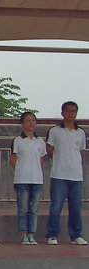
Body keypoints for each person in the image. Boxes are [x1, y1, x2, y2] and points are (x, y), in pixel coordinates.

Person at [45, 101, 87, 245]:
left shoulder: (80, 132)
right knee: (56, 207)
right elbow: (50, 149)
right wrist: (60, 160)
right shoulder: (54, 131)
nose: (71, 114)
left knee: (76, 207)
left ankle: (76, 235)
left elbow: (81, 151)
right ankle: (52, 234)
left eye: (74, 111)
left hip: (76, 176)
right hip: (59, 175)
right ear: (62, 113)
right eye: (68, 111)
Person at [10, 111, 46, 246]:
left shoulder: (40, 141)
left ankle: (32, 234)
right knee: (23, 208)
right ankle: (23, 234)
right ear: (22, 123)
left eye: (33, 120)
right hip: (22, 180)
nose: (31, 123)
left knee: (34, 209)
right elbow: (13, 159)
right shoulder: (18, 140)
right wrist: (21, 170)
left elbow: (41, 159)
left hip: (37, 180)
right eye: (28, 120)